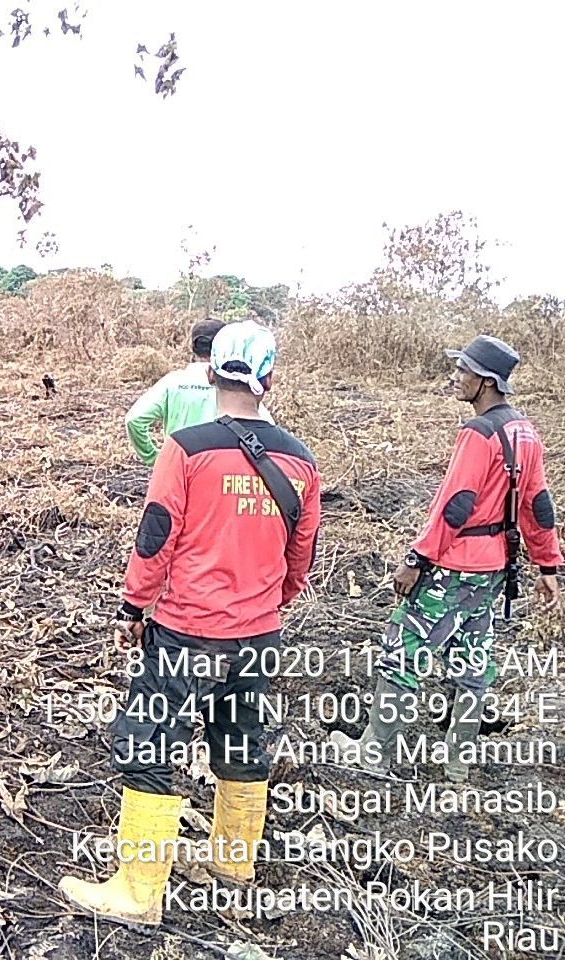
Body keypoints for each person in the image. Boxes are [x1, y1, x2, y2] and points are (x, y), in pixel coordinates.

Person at [58, 320, 321, 926]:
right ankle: (234, 864)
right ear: (270, 377)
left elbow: (156, 534)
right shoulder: (301, 460)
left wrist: (133, 605)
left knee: (149, 743)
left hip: (188, 629)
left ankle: (139, 891)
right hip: (259, 630)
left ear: (209, 372)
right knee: (241, 739)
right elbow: (301, 549)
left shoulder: (187, 447)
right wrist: (272, 600)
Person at [333, 335, 561, 783]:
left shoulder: (478, 434)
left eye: (465, 371)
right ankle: (457, 763)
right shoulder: (526, 432)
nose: (456, 377)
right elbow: (539, 505)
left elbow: (456, 505)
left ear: (487, 381)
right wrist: (548, 565)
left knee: (403, 650)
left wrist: (417, 559)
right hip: (494, 568)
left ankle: (373, 754)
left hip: (455, 564)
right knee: (473, 658)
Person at [124, 318, 272, 466]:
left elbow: (134, 419)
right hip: (218, 471)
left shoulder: (173, 382)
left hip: (177, 469)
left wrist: (155, 459)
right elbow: (266, 427)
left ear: (192, 347)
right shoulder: (235, 385)